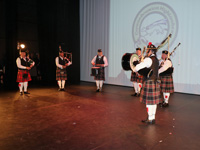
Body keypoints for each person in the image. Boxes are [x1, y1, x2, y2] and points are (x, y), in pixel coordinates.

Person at [133, 42, 162, 124]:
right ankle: (152, 117)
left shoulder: (148, 59)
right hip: (155, 81)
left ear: (151, 51)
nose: (146, 52)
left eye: (148, 50)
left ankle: (149, 118)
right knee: (154, 102)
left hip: (149, 82)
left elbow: (139, 67)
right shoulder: (156, 60)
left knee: (149, 102)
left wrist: (134, 68)